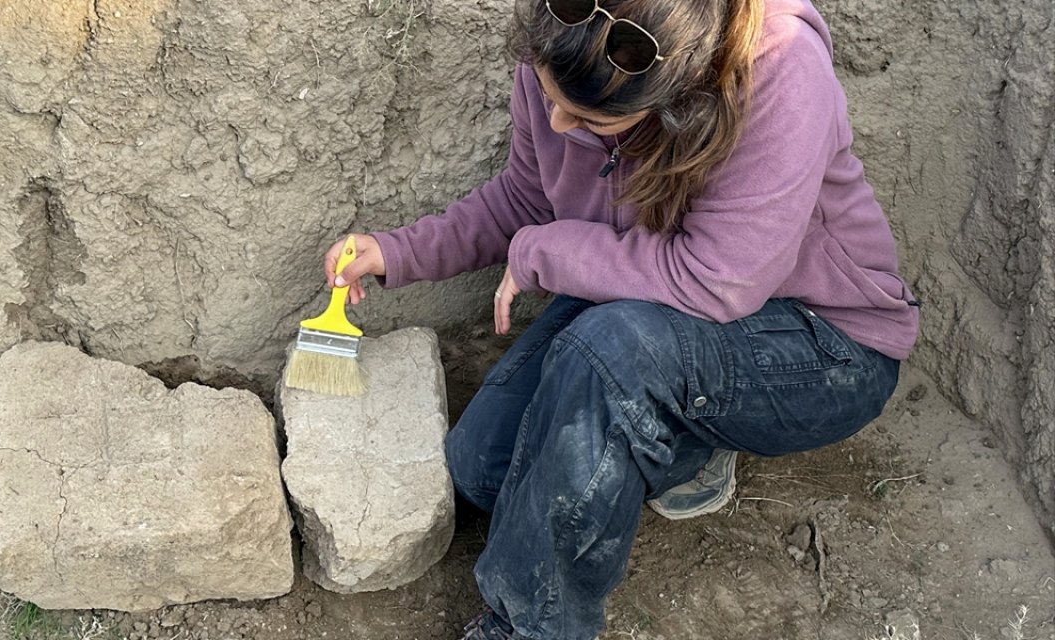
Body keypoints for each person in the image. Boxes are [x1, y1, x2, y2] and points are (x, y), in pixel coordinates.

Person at [321, 0, 919, 637]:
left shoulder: (778, 70)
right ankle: (681, 430)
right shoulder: (563, 45)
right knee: (485, 469)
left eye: (585, 118)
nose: (558, 121)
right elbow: (528, 198)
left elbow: (718, 281)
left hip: (816, 341)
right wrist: (398, 252)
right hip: (652, 310)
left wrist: (545, 253)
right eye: (552, 99)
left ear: (672, 94)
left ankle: (536, 626)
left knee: (607, 357)